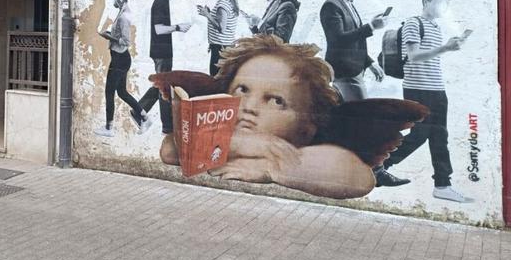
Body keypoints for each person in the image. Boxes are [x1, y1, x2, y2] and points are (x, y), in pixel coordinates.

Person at [153, 35, 379, 199]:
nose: (249, 106)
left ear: (305, 129)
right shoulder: (217, 137)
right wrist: (236, 142)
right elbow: (169, 150)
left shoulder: (298, 154)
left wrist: (273, 168)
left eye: (276, 100)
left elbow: (359, 177)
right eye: (242, 89)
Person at [377, 0, 471, 203]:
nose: (443, 7)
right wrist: (445, 49)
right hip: (418, 88)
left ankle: (443, 184)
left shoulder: (435, 27)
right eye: (439, 2)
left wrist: (450, 47)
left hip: (437, 89)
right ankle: (379, 165)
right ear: (426, 1)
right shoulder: (413, 23)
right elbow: (414, 56)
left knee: (440, 136)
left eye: (446, 4)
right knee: (420, 134)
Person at [137, 0, 191, 151]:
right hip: (162, 52)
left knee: (162, 86)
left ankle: (139, 110)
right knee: (164, 89)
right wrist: (178, 27)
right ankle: (167, 126)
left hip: (162, 51)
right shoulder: (160, 2)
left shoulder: (162, 1)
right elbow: (159, 30)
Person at [319, 0, 386, 102]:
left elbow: (354, 42)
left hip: (353, 71)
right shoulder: (331, 6)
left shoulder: (348, 4)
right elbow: (338, 40)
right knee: (361, 116)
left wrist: (369, 63)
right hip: (345, 73)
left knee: (352, 117)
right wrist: (372, 26)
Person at [94, 0, 149, 137]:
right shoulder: (122, 12)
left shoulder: (124, 16)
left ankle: (109, 128)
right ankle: (144, 116)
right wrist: (111, 36)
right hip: (121, 58)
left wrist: (108, 36)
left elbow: (125, 41)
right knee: (122, 92)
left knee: (109, 91)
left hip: (119, 59)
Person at [197, 0, 239, 76]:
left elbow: (222, 28)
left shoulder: (222, 5)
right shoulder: (228, 1)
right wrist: (210, 14)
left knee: (215, 78)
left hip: (221, 49)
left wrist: (207, 14)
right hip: (224, 47)